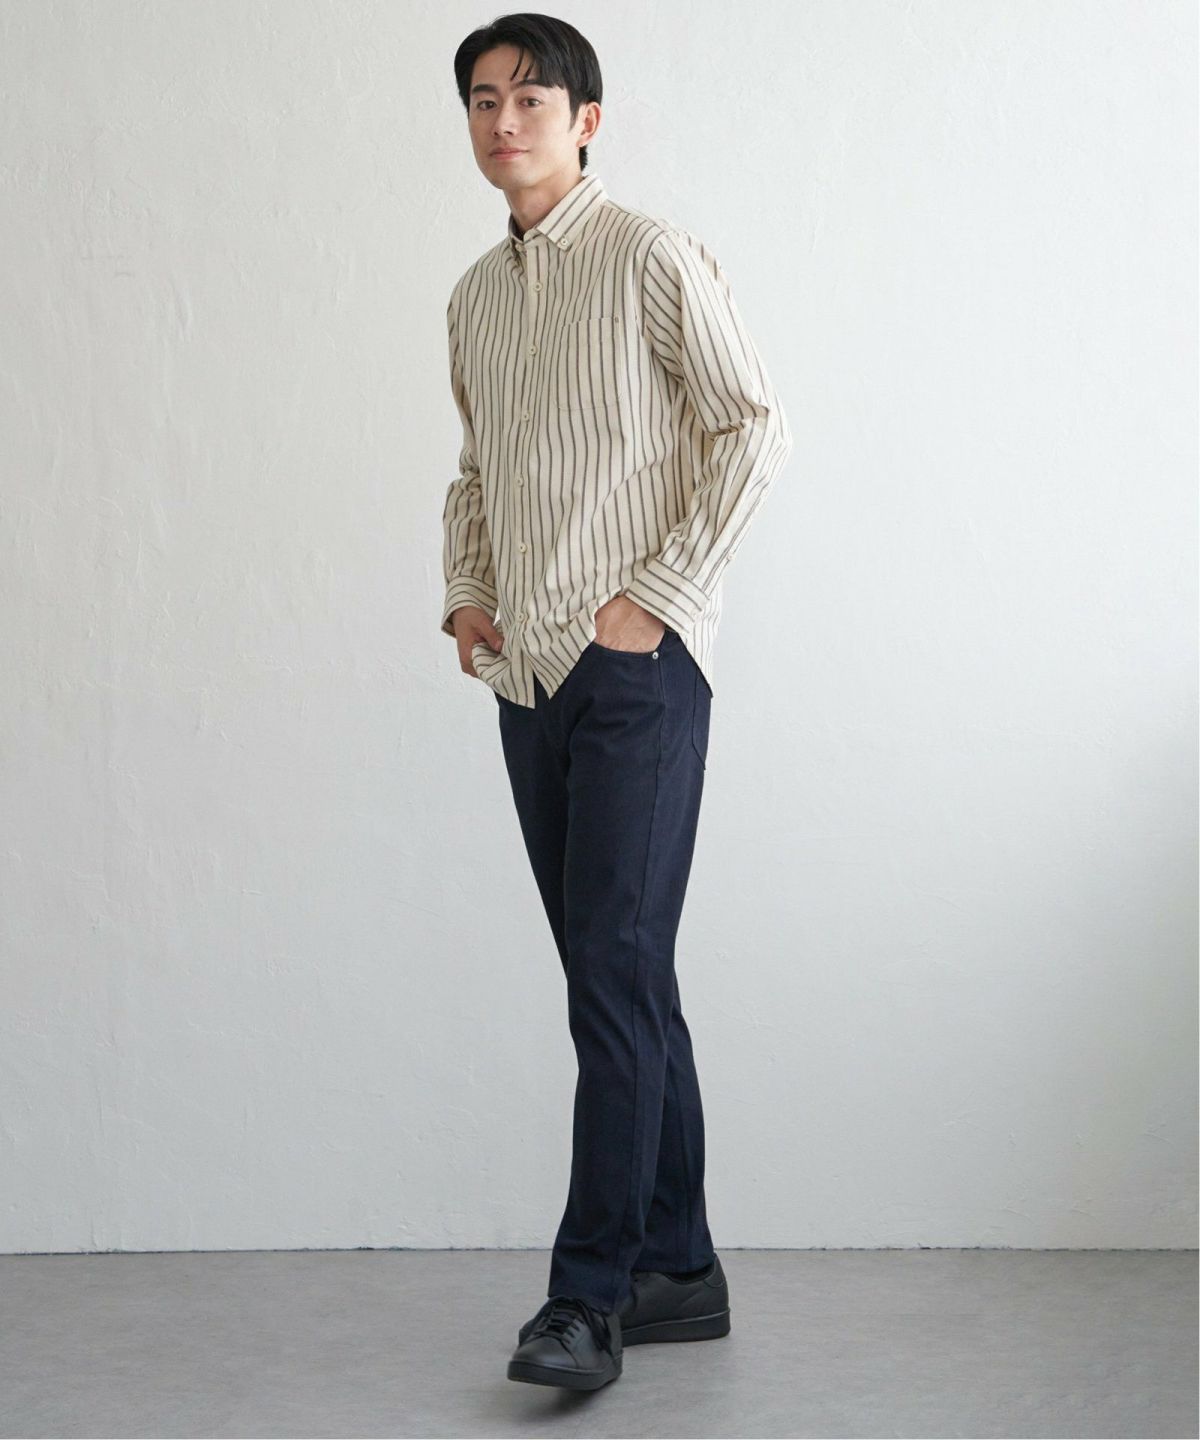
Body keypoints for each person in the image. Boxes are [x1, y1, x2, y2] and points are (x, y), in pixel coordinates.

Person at [441, 13, 793, 1392]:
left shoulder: (651, 256)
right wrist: (467, 592)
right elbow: (477, 470)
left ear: (587, 119)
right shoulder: (474, 296)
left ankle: (587, 1301)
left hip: (638, 671)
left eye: (531, 98)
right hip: (528, 673)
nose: (504, 121)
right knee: (622, 975)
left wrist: (659, 594)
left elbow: (752, 423)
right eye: (484, 100)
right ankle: (678, 1268)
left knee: (614, 976)